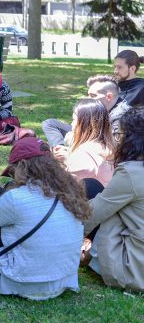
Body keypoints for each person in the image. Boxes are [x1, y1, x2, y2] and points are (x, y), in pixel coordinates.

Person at [0, 137, 90, 300]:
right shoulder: (72, 193)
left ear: (20, 168)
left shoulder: (16, 197)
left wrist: (2, 200)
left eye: (12, 173)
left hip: (22, 284)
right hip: (63, 281)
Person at [83, 107, 144, 292]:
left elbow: (94, 213)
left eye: (118, 134)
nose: (115, 140)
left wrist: (64, 233)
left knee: (97, 197)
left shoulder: (132, 172)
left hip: (134, 269)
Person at [42, 75, 130, 147]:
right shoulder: (107, 106)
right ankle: (60, 148)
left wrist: (74, 138)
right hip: (90, 134)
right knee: (50, 123)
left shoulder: (121, 117)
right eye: (88, 95)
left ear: (109, 97)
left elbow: (112, 148)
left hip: (100, 148)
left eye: (92, 95)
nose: (88, 99)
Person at [53, 99, 114, 186]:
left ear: (84, 125)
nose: (71, 124)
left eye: (74, 120)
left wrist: (67, 160)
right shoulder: (110, 147)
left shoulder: (82, 152)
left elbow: (66, 186)